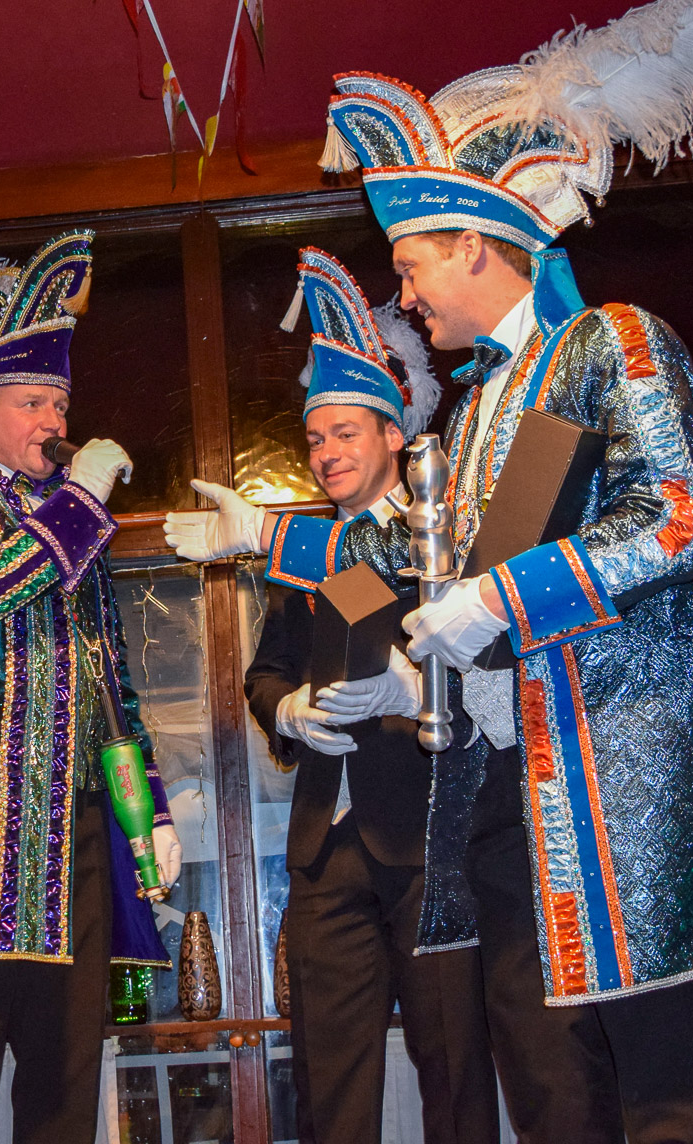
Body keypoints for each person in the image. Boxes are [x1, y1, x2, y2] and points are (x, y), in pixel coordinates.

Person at [166, 0, 693, 1144]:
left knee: (662, 1101)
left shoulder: (605, 345)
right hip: (498, 814)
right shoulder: (469, 421)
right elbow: (400, 569)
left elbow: (675, 520)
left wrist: (493, 594)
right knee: (551, 1102)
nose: (404, 295)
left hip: (616, 790)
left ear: (473, 244)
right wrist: (308, 583)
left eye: (411, 265)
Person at [0, 231, 183, 1144]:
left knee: (63, 1100)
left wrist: (149, 811)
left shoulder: (72, 520)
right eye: (31, 403)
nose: (53, 419)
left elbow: (110, 681)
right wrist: (78, 505)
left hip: (78, 846)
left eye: (59, 402)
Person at [243, 250, 497, 1144]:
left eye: (345, 433)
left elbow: (476, 663)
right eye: (316, 439)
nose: (327, 454)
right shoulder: (297, 558)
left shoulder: (444, 535)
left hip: (430, 839)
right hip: (325, 845)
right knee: (329, 1081)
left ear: (394, 434)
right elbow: (265, 674)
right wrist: (286, 712)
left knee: (455, 1071)